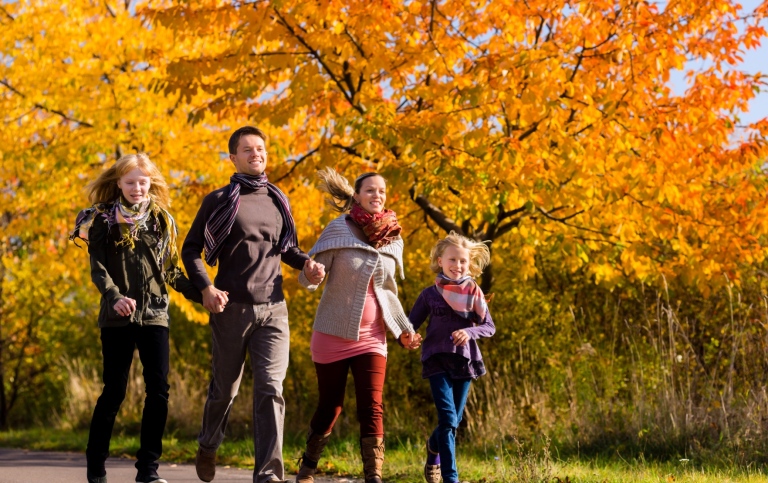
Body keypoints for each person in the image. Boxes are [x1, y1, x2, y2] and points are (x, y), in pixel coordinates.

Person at [181, 126, 324, 483]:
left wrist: (306, 262)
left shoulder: (278, 199)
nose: (255, 154)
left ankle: (268, 475)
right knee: (224, 390)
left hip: (274, 309)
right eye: (247, 150)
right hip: (231, 310)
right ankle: (208, 444)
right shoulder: (218, 200)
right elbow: (191, 250)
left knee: (270, 389)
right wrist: (207, 288)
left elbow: (286, 248)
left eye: (260, 148)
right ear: (233, 158)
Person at [70, 153, 204, 483]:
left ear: (151, 183)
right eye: (130, 182)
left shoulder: (161, 221)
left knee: (158, 390)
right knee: (114, 390)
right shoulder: (102, 220)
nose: (136, 188)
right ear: (118, 183)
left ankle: (148, 470)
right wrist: (114, 298)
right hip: (116, 318)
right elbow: (98, 268)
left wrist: (202, 294)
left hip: (155, 316)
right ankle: (96, 466)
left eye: (142, 182)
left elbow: (171, 271)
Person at [294, 168, 421, 483]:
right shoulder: (338, 230)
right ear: (357, 196)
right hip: (331, 335)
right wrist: (311, 275)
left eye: (381, 191)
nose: (376, 195)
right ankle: (307, 466)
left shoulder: (393, 238)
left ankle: (373, 475)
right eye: (370, 191)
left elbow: (388, 292)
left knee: (372, 405)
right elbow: (307, 273)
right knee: (330, 407)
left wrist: (404, 329)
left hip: (373, 338)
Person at [408, 232, 496, 483]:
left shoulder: (474, 293)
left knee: (453, 422)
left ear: (469, 264)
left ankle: (433, 448)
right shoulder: (429, 295)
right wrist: (409, 337)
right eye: (452, 260)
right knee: (447, 419)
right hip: (436, 360)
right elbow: (410, 325)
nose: (457, 266)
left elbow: (489, 327)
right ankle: (451, 478)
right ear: (439, 261)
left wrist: (468, 332)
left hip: (464, 362)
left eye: (463, 261)